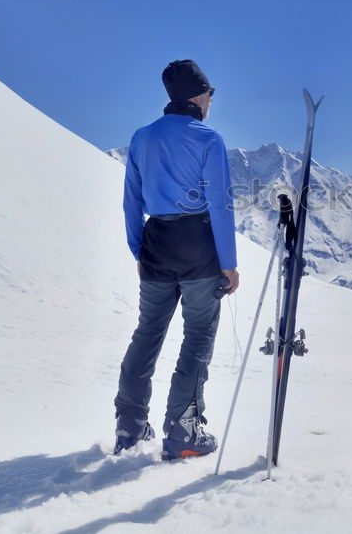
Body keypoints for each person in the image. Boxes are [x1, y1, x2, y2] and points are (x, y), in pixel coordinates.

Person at [113, 59, 239, 460]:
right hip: (199, 245)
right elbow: (220, 204)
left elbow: (131, 200)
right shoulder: (209, 139)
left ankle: (129, 426)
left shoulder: (141, 137)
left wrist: (139, 251)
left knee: (147, 332)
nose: (211, 100)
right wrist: (229, 263)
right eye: (211, 93)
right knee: (198, 335)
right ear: (200, 95)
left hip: (156, 243)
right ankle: (183, 429)